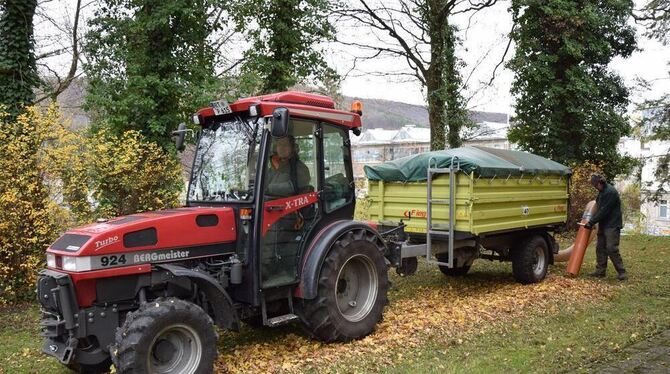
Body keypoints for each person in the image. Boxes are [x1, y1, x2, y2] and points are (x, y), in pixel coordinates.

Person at [585, 173, 627, 281]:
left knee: (611, 248)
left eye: (595, 185)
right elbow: (598, 207)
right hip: (604, 223)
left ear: (600, 183)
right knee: (600, 247)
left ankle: (622, 272)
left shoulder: (610, 192)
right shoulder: (602, 192)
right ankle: (600, 271)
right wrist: (590, 220)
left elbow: (604, 211)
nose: (595, 187)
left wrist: (592, 222)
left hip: (612, 224)